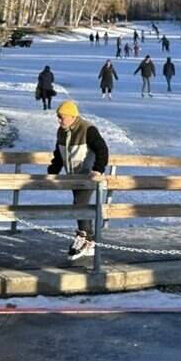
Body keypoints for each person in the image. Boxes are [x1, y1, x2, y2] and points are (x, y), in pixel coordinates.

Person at [47, 101, 109, 262]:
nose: (59, 120)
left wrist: (98, 168)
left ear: (72, 116)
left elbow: (102, 149)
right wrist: (53, 170)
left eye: (62, 117)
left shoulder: (88, 129)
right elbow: (59, 153)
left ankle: (85, 238)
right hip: (73, 175)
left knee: (80, 205)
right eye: (58, 117)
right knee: (79, 204)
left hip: (88, 176)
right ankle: (88, 239)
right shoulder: (62, 132)